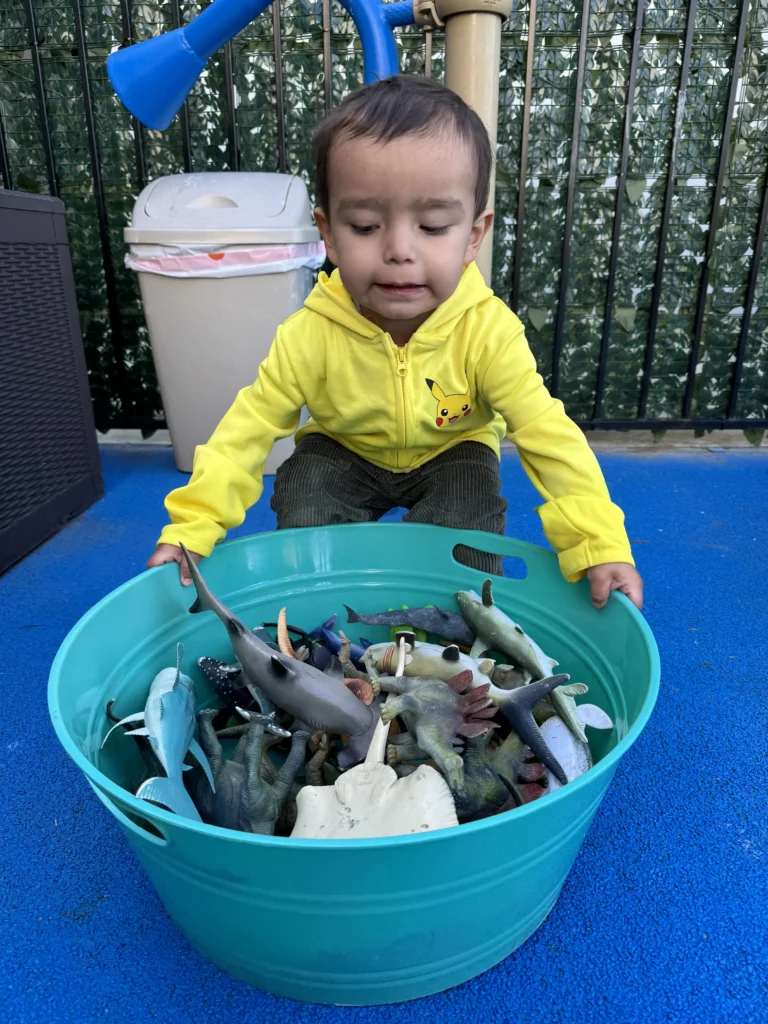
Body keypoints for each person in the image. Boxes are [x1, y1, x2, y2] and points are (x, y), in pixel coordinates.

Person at [147, 75, 643, 611]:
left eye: (432, 226)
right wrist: (192, 527)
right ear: (328, 233)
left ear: (474, 235)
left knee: (467, 522)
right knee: (305, 496)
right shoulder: (310, 332)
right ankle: (330, 606)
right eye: (364, 225)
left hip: (451, 451)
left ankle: (450, 614)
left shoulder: (488, 332)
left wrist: (597, 542)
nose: (399, 250)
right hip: (345, 449)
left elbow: (547, 435)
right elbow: (247, 429)